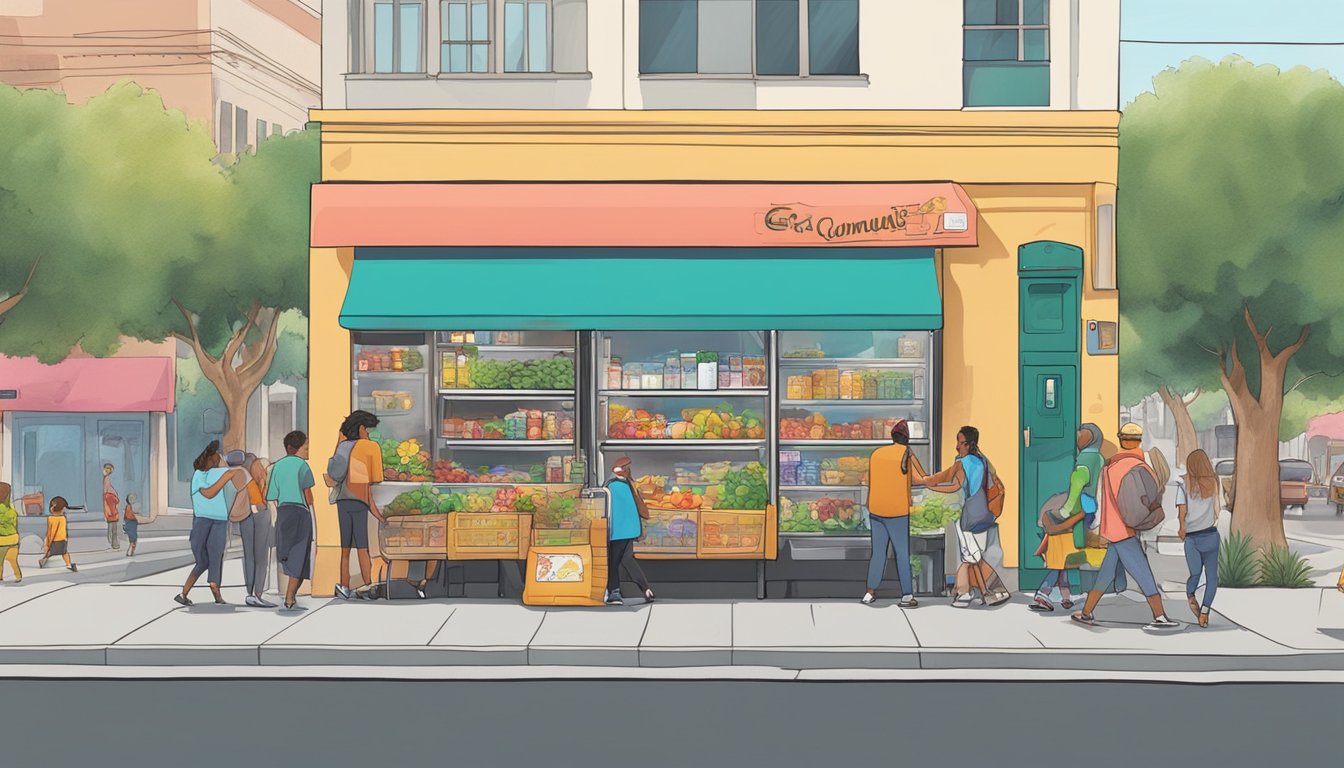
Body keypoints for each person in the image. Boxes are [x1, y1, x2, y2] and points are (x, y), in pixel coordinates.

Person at [1072, 422, 1179, 631]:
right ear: (1138, 441)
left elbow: (1103, 498)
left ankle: (1086, 612)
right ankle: (1159, 616)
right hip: (1125, 530)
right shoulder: (1138, 467)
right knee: (1143, 572)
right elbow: (1141, 503)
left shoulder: (1110, 466)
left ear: (1121, 440)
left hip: (1113, 528)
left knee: (1106, 573)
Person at [924, 426, 1010, 607]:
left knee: (969, 557)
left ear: (969, 444)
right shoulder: (982, 460)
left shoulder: (962, 463)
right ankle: (980, 591)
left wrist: (931, 486)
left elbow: (953, 484)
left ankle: (964, 594)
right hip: (984, 514)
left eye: (960, 442)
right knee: (975, 556)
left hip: (967, 516)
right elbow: (992, 476)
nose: (957, 446)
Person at [1028, 424, 1104, 612]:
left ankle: (1043, 593)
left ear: (1088, 438)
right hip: (1092, 510)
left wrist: (1064, 511)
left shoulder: (1085, 459)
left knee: (1059, 550)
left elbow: (1077, 485)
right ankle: (1065, 594)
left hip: (1079, 510)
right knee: (1065, 550)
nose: (1077, 439)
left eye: (1080, 435)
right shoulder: (1099, 458)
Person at [862, 419, 925, 607]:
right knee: (901, 553)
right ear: (907, 439)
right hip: (897, 512)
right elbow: (920, 478)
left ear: (892, 436)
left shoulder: (877, 454)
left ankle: (869, 592)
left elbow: (870, 481)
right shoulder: (907, 454)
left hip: (876, 509)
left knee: (878, 553)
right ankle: (907, 595)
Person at [325, 410, 386, 600]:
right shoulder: (371, 447)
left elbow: (334, 472)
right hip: (362, 500)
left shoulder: (343, 447)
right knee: (363, 546)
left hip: (343, 500)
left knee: (345, 548)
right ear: (361, 428)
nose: (369, 434)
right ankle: (368, 584)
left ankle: (344, 585)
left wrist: (338, 443)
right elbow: (377, 478)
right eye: (368, 430)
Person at [177, 441, 245, 607]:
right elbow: (208, 493)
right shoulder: (199, 475)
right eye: (218, 456)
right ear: (212, 459)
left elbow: (237, 480)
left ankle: (214, 589)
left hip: (220, 520)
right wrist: (226, 477)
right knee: (203, 561)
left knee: (216, 557)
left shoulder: (221, 472)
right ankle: (185, 592)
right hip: (202, 521)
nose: (221, 458)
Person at [267, 430, 316, 611]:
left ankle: (291, 597)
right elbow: (308, 496)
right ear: (294, 447)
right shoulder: (302, 466)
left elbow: (271, 494)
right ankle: (289, 597)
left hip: (284, 512)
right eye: (305, 447)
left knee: (288, 553)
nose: (307, 450)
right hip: (300, 512)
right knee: (300, 553)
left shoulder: (277, 466)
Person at [1178, 449, 1220, 628]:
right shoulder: (1214, 482)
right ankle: (1205, 610)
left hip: (1193, 537)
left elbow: (1181, 510)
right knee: (1212, 578)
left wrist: (1182, 527)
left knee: (1195, 572)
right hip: (1211, 533)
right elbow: (1218, 508)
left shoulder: (1183, 483)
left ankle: (1192, 597)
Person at [603, 456, 654, 606]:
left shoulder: (611, 486)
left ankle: (614, 592)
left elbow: (610, 510)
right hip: (631, 530)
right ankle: (646, 589)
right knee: (627, 560)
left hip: (617, 532)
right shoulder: (630, 485)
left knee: (613, 562)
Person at [230, 450, 277, 608]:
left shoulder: (236, 473)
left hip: (244, 515)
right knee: (261, 556)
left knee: (248, 555)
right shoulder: (256, 473)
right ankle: (258, 594)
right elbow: (264, 498)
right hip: (260, 513)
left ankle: (249, 593)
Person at [39, 496, 77, 572]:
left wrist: (48, 541)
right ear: (62, 509)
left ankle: (43, 561)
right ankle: (68, 564)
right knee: (64, 553)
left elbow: (51, 531)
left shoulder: (50, 519)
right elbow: (63, 530)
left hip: (54, 540)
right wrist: (66, 538)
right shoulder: (63, 518)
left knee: (50, 552)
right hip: (62, 540)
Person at [0, 482, 21, 583]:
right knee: (13, 560)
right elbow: (15, 524)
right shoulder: (12, 510)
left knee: (0, 561)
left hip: (1, 540)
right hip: (13, 539)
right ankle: (18, 576)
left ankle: (0, 576)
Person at [103, 463, 120, 550]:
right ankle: (113, 544)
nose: (106, 471)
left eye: (108, 470)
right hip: (112, 512)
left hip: (112, 512)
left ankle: (113, 544)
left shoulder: (108, 482)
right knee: (112, 529)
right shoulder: (106, 481)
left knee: (113, 530)